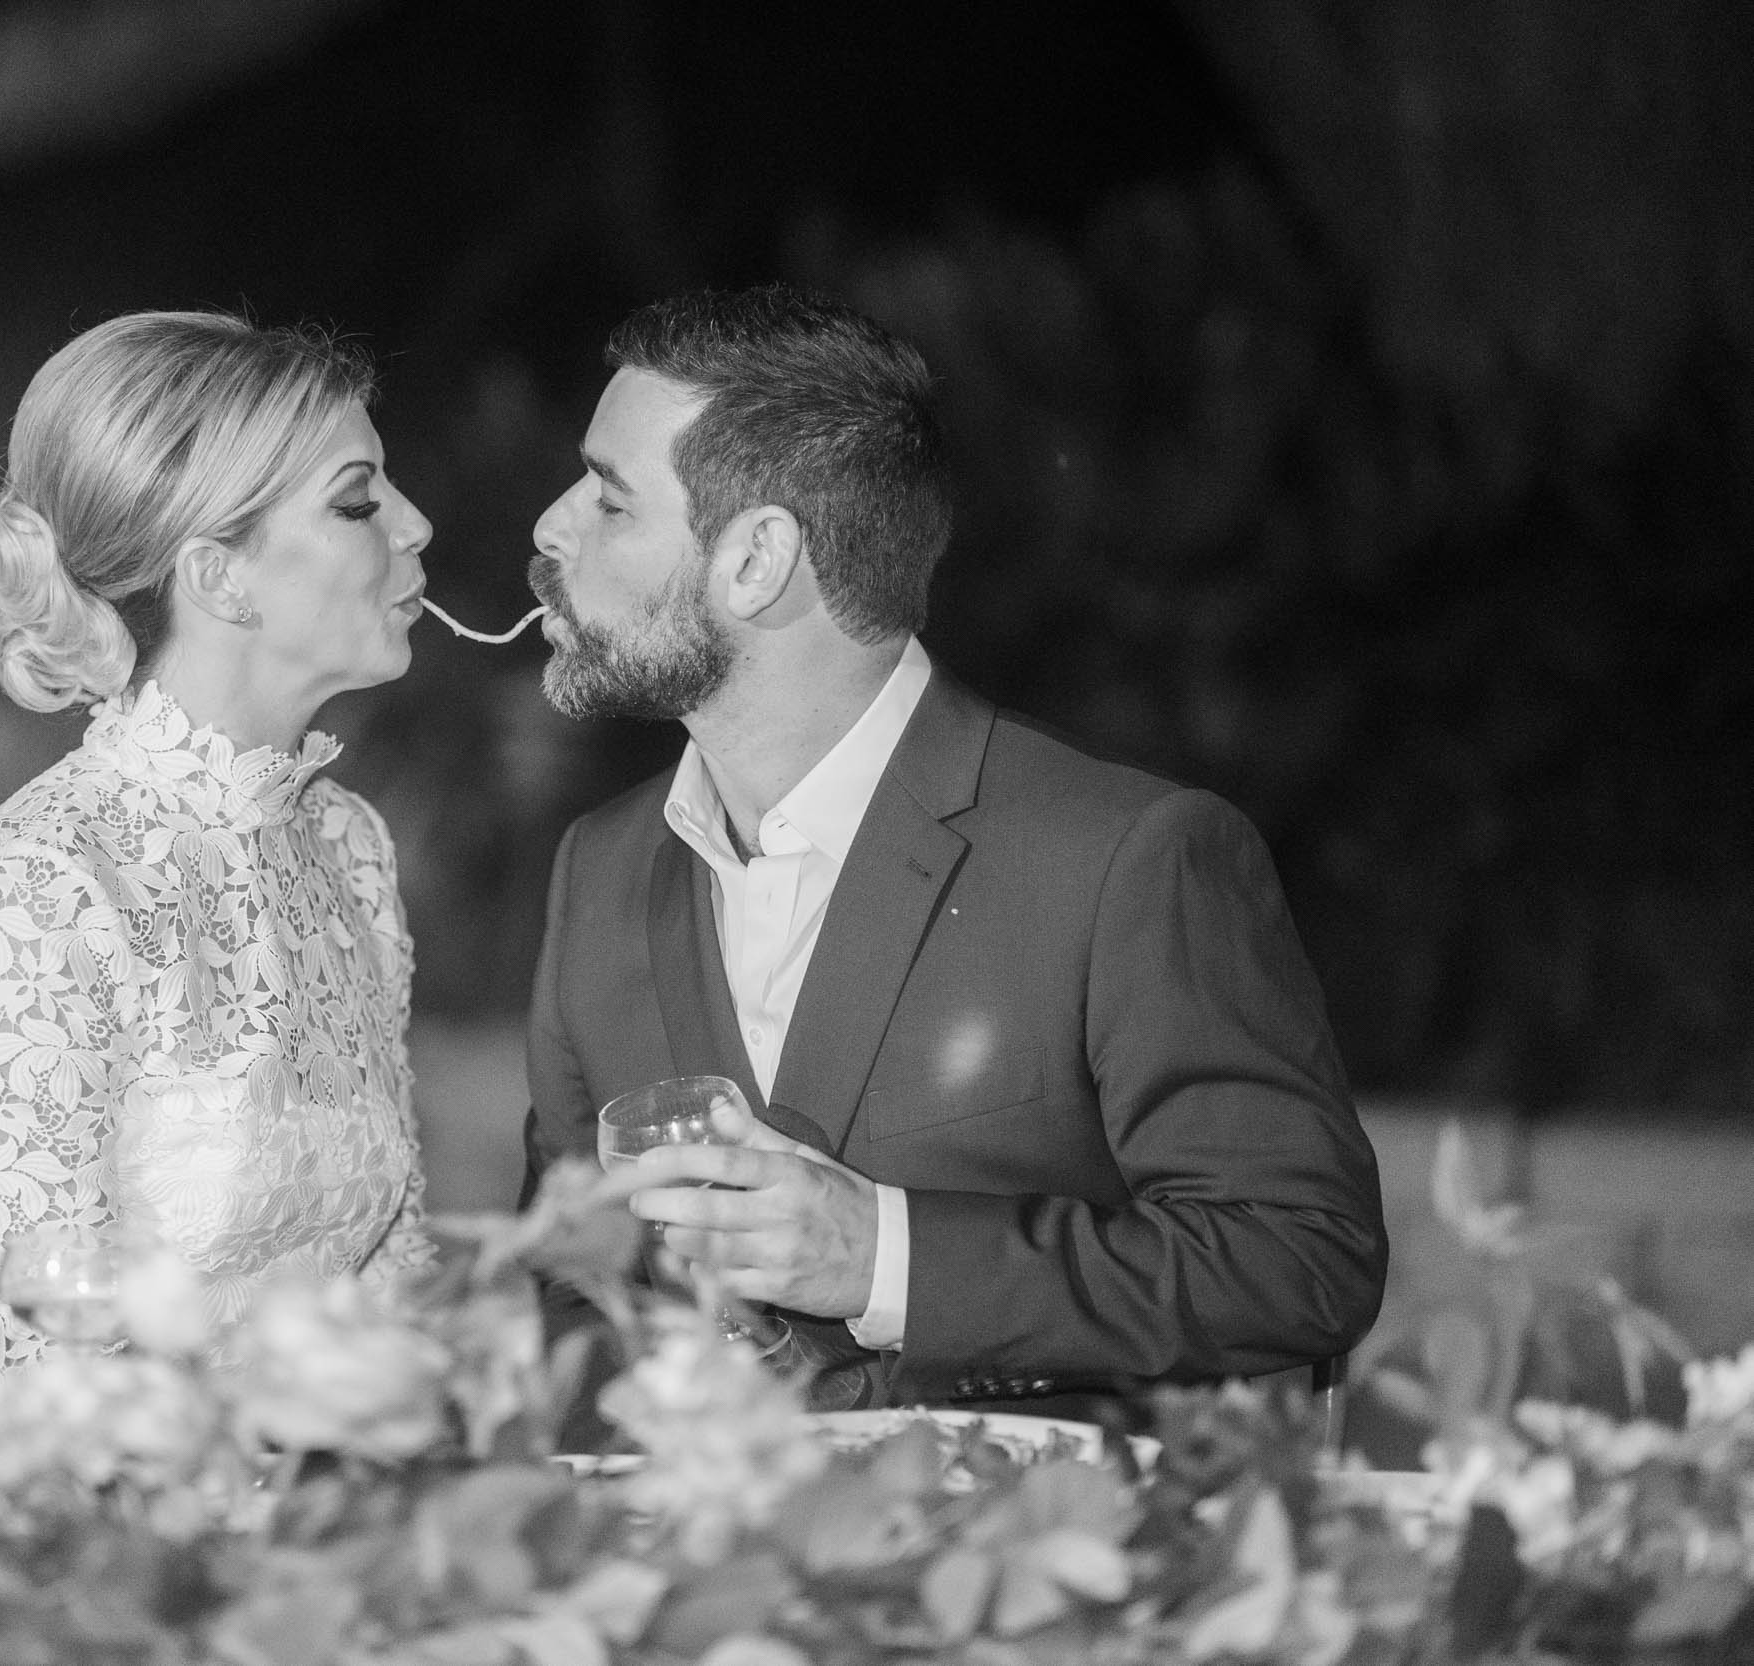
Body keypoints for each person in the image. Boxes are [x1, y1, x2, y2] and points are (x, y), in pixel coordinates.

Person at [519, 284, 1386, 1422]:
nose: (551, 524)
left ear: (755, 561)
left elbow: (1300, 1261)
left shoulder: (1126, 858)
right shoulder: (599, 869)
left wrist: (882, 1258)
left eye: (610, 498)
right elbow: (569, 1281)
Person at [0, 310, 438, 1432]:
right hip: (57, 1517)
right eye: (359, 500)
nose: (415, 524)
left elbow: (389, 1261)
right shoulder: (44, 881)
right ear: (221, 578)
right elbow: (51, 1350)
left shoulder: (348, 844)